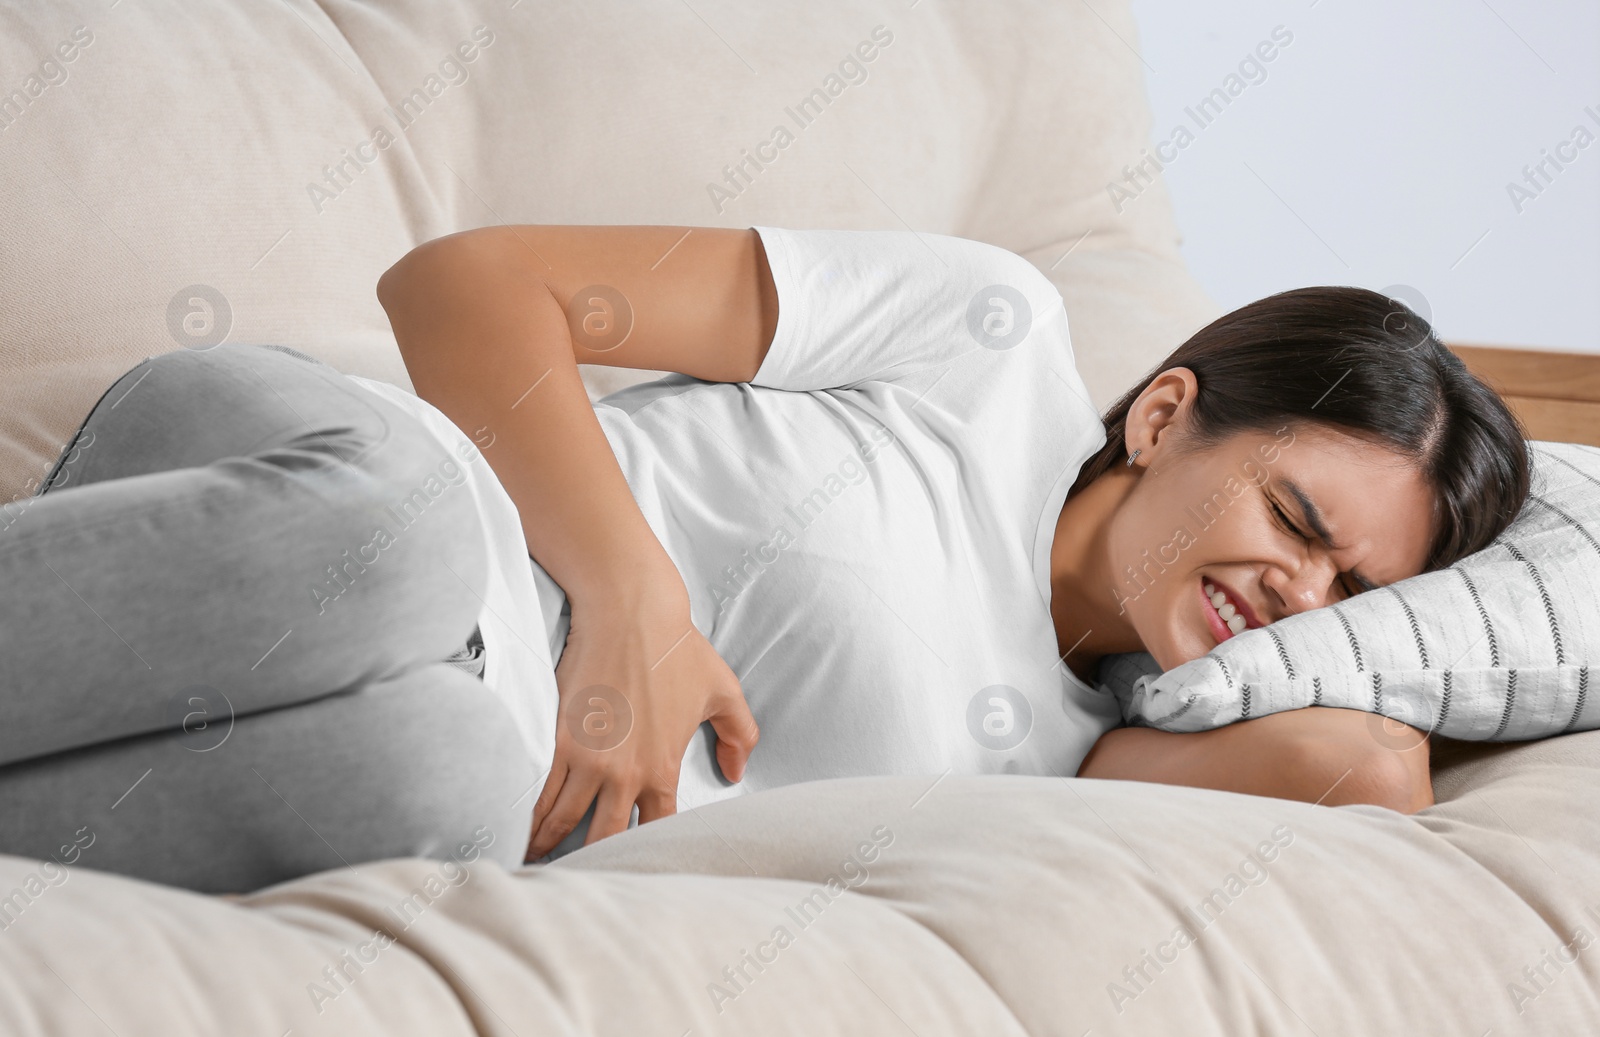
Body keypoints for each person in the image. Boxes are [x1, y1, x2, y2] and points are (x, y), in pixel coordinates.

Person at [0, 225, 1529, 893]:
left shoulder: (1098, 765)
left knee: (439, 774)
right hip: (327, 499)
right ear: (1169, 412)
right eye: (1297, 523)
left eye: (1353, 596)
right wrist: (631, 600)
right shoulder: (985, 339)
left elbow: (1375, 769)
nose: (1298, 595)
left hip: (449, 748)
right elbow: (470, 286)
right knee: (396, 546)